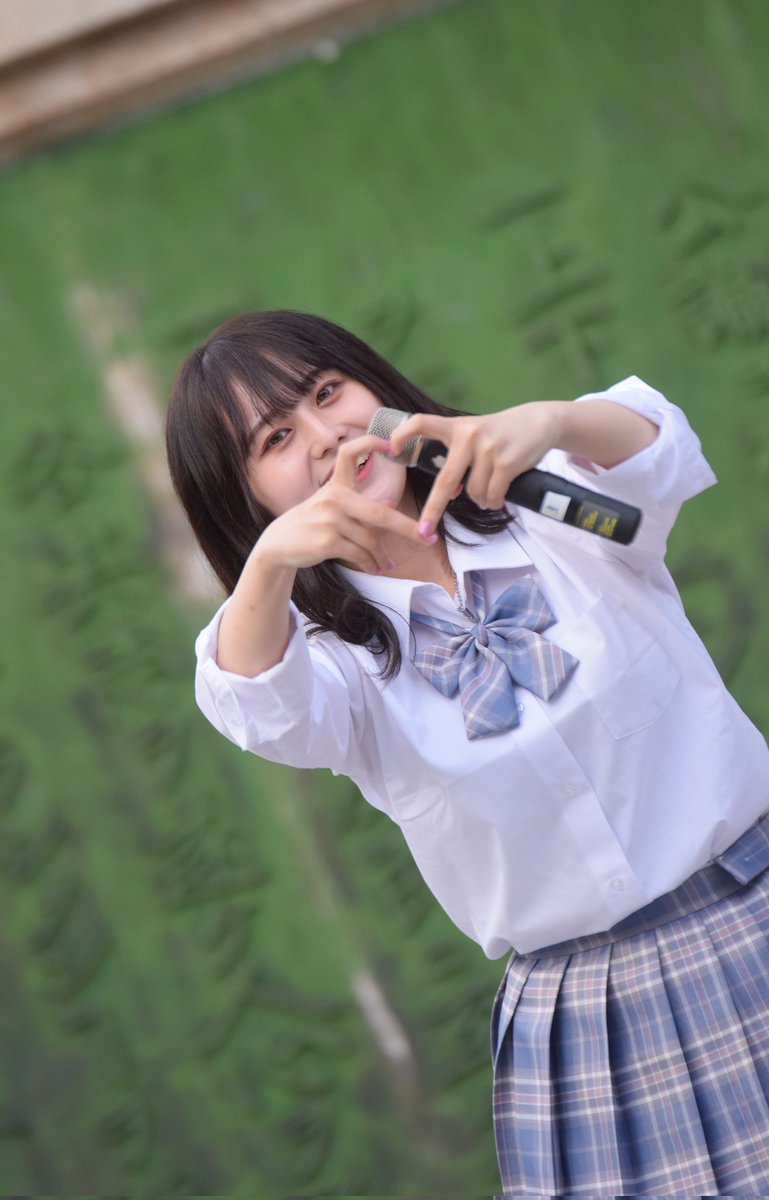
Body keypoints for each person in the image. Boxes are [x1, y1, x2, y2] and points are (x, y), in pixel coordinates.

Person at [165, 309, 769, 1196]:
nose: (326, 437)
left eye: (328, 392)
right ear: (247, 499)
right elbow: (253, 701)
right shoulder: (331, 664)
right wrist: (267, 567)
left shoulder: (541, 508)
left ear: (374, 385)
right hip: (596, 1013)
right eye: (276, 439)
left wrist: (554, 420)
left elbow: (658, 452)